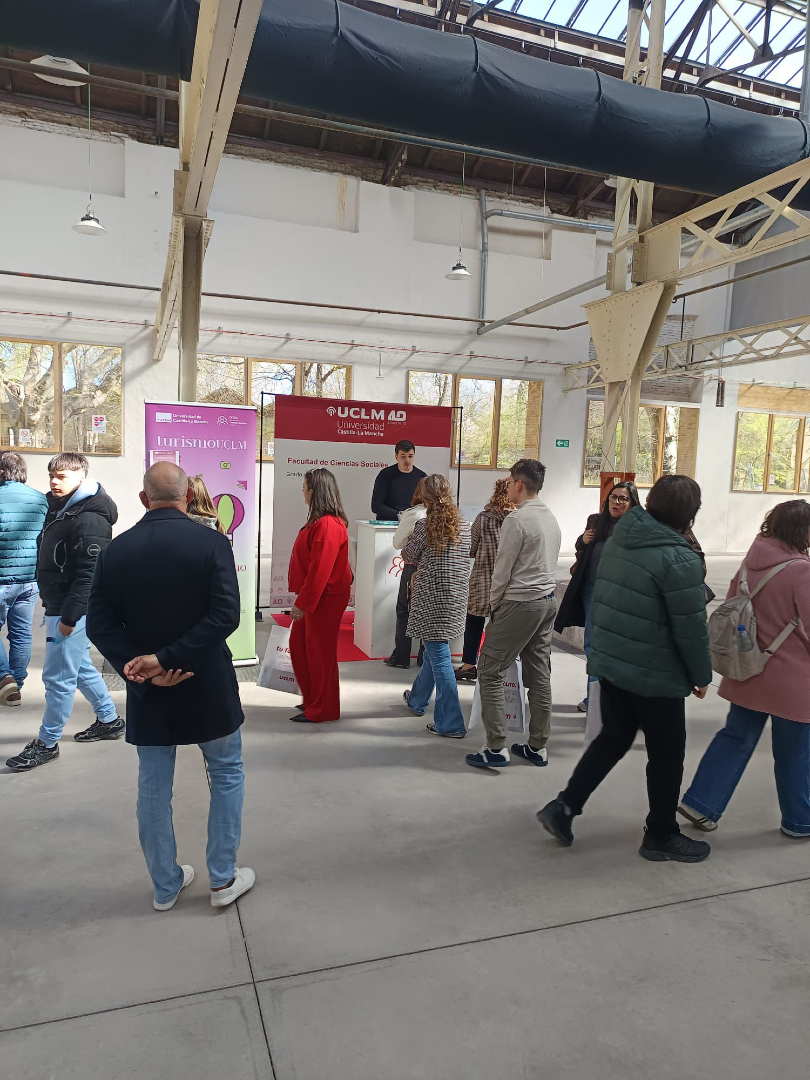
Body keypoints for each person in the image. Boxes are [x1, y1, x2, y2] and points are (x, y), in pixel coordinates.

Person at [86, 462, 253, 910]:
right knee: (226, 773)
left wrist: (145, 666)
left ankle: (165, 885)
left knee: (153, 785)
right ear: (187, 497)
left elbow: (100, 625)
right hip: (207, 681)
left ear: (144, 499)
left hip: (147, 688)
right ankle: (222, 879)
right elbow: (225, 617)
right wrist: (169, 658)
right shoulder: (213, 544)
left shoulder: (114, 552)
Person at [537, 475, 713, 863]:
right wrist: (701, 674)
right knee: (667, 754)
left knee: (612, 738)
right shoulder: (679, 558)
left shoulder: (619, 540)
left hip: (615, 663)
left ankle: (564, 807)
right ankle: (662, 835)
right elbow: (690, 627)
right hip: (656, 674)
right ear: (690, 515)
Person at [680, 499, 810, 838]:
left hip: (749, 666)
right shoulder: (801, 570)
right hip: (792, 678)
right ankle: (799, 820)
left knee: (735, 736)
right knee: (795, 750)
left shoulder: (752, 561)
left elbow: (734, 604)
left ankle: (700, 802)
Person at [6, 453, 123, 772]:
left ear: (81, 478)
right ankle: (110, 721)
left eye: (64, 476)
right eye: (52, 476)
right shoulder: (58, 508)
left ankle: (46, 743)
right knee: (80, 666)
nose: (55, 482)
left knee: (57, 677)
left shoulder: (90, 518)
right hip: (60, 605)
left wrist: (70, 618)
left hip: (72, 610)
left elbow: (89, 573)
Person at [465, 459, 561, 770]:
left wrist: (495, 607)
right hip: (547, 602)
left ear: (519, 484)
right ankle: (538, 746)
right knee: (539, 675)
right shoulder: (550, 518)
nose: (507, 486)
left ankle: (495, 747)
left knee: (490, 670)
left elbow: (501, 571)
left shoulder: (517, 521)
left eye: (509, 481)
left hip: (519, 603)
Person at [555, 482, 640, 712]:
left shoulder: (637, 526)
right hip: (593, 591)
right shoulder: (596, 520)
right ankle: (594, 700)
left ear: (632, 503)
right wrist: (583, 540)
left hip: (621, 596)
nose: (616, 502)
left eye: (623, 499)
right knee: (593, 646)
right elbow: (580, 549)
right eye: (613, 497)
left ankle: (619, 703)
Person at [402, 474, 471, 737]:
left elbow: (409, 556)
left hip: (432, 597)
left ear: (424, 497)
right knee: (436, 650)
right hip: (456, 596)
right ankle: (417, 700)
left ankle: (451, 723)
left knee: (440, 657)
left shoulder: (425, 525)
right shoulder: (464, 525)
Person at [288, 468, 353, 723]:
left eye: (304, 487)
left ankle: (322, 708)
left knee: (319, 653)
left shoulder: (327, 524)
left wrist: (303, 603)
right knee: (301, 647)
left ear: (314, 492)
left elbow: (320, 570)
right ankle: (313, 700)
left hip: (325, 598)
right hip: (319, 596)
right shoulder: (321, 521)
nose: (302, 492)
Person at [455, 477, 514, 683]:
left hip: (482, 577)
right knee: (500, 626)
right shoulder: (517, 518)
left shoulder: (483, 518)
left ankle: (469, 665)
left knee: (474, 622)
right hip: (508, 582)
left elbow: (471, 549)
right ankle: (495, 666)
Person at [0, 452, 47, 706]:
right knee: (21, 634)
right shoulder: (41, 499)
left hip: (1, 578)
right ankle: (16, 685)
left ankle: (4, 677)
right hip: (29, 580)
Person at [384, 479, 427, 669]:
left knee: (404, 610)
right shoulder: (450, 516)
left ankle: (401, 656)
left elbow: (397, 543)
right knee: (428, 612)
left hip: (413, 566)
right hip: (435, 567)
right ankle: (424, 658)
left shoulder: (414, 514)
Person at [371, 440, 427, 521]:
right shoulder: (385, 475)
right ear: (396, 457)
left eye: (410, 456)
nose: (407, 460)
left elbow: (426, 504)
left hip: (413, 523)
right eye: (403, 456)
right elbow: (376, 506)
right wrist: (400, 514)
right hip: (388, 523)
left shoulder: (422, 477)